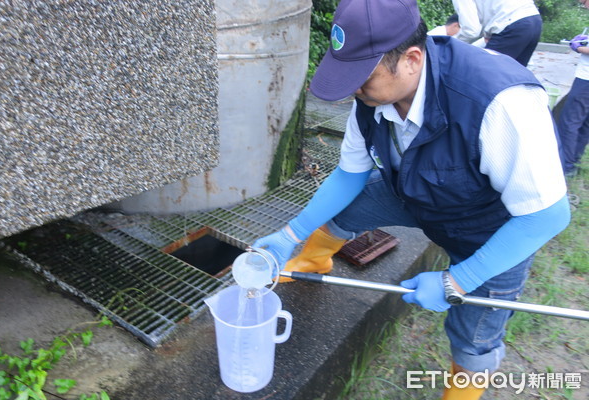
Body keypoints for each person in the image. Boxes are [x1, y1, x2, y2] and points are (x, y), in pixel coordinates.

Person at [252, 0, 571, 398]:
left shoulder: (499, 101)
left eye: (362, 77)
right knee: (346, 211)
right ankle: (312, 259)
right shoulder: (371, 99)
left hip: (492, 226)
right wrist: (289, 233)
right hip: (414, 190)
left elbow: (547, 216)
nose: (353, 88)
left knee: (473, 337)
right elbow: (349, 175)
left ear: (412, 60)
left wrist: (459, 280)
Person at [452, 0, 542, 66]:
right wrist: (488, 33)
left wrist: (451, 45)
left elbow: (471, 31)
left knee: (483, 74)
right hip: (534, 18)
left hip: (511, 23)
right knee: (516, 77)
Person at [557, 26, 589, 177]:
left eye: (584, 1)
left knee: (570, 121)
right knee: (585, 123)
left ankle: (565, 165)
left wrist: (578, 48)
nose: (583, 4)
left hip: (586, 80)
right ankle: (573, 160)